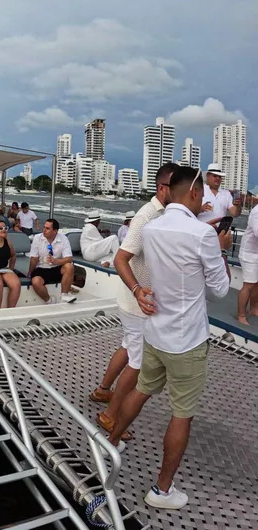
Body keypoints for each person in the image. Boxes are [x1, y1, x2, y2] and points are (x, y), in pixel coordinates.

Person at [109, 166, 232, 510]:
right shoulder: (202, 235)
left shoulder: (152, 228)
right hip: (187, 340)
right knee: (182, 413)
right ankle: (162, 491)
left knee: (143, 389)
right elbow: (220, 289)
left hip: (155, 331)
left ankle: (113, 441)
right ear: (193, 194)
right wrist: (220, 250)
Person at [89, 162, 178, 441]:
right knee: (139, 363)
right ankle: (110, 416)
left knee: (128, 348)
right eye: (181, 188)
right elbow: (120, 258)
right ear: (164, 189)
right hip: (138, 303)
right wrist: (139, 290)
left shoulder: (165, 215)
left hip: (136, 301)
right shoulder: (147, 216)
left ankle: (103, 391)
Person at [27, 218, 76, 304]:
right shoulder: (37, 238)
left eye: (47, 228)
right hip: (42, 268)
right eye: (44, 227)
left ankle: (64, 295)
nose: (44, 230)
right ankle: (49, 300)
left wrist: (57, 261)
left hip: (57, 267)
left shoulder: (63, 238)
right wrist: (30, 273)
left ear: (55, 231)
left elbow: (69, 258)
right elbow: (34, 258)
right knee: (35, 282)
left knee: (69, 266)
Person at [237, 201, 258, 324]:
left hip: (256, 252)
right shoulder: (257, 211)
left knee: (257, 284)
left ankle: (254, 309)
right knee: (249, 285)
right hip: (249, 253)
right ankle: (241, 315)